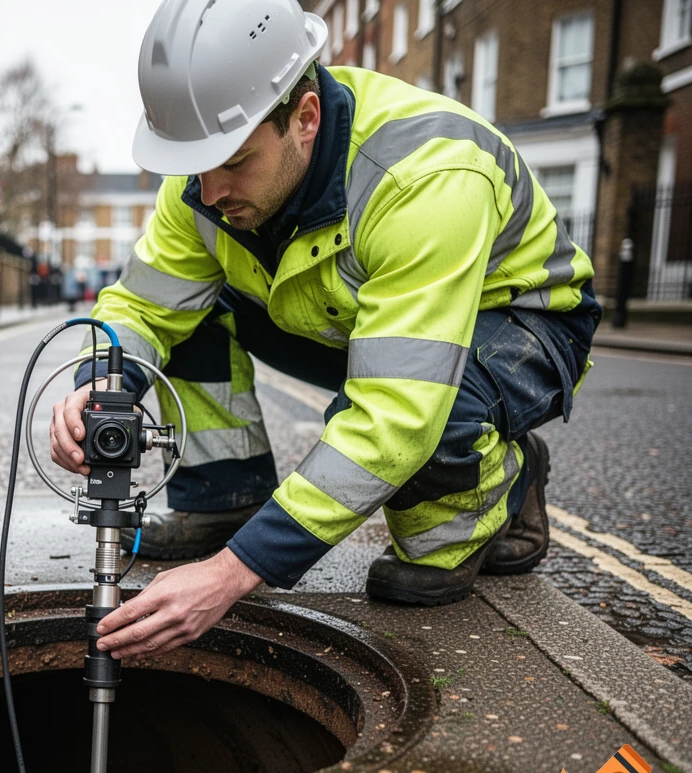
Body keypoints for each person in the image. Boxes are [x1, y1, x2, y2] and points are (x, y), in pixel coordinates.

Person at [48, 0, 600, 662]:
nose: (210, 191)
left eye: (235, 161)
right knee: (189, 316)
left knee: (429, 495)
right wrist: (99, 387)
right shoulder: (200, 189)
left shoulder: (425, 174)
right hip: (356, 319)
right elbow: (144, 307)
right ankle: (225, 494)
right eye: (196, 165)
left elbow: (395, 411)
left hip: (521, 322)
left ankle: (495, 494)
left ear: (306, 118)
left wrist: (233, 572)